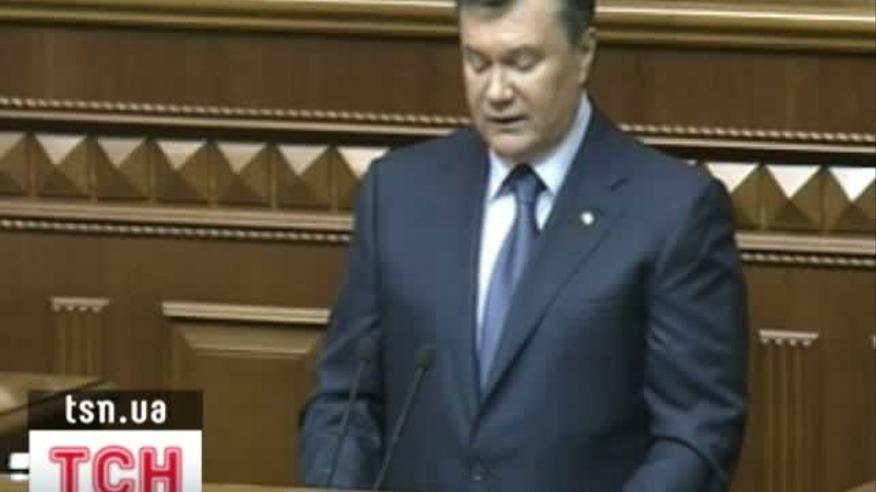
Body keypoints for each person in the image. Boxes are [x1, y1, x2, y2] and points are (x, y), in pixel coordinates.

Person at [298, 0, 748, 490]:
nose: (496, 92)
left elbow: (695, 433)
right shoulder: (398, 193)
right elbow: (345, 401)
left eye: (522, 63)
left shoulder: (672, 211)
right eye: (477, 62)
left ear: (584, 53)